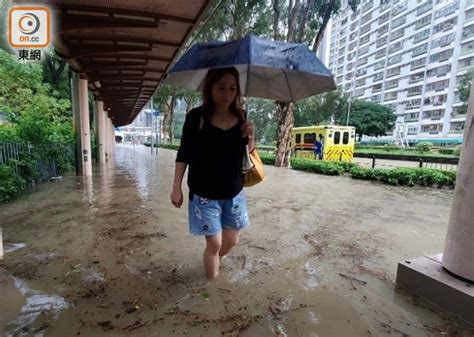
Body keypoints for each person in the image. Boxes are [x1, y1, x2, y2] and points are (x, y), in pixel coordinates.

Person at [170, 67, 255, 279]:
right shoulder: (195, 117)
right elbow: (184, 154)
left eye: (233, 88)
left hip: (234, 192)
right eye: (221, 87)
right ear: (210, 88)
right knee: (215, 243)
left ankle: (214, 258)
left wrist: (250, 136)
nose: (227, 94)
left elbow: (249, 152)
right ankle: (211, 285)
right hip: (204, 195)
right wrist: (176, 188)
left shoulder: (241, 116)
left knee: (231, 241)